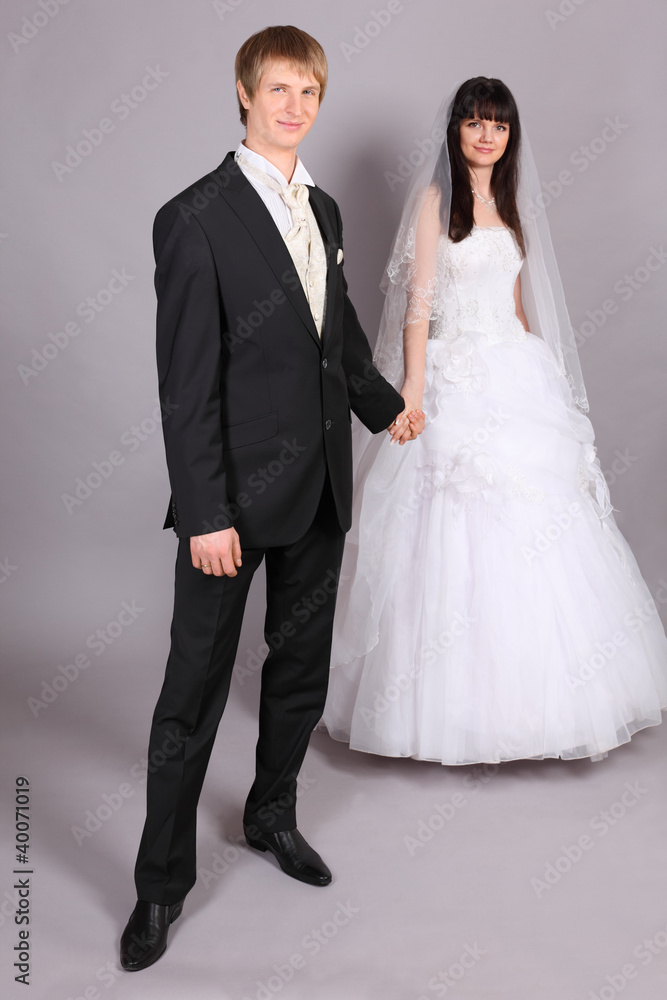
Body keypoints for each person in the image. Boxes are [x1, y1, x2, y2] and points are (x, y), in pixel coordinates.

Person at [119, 25, 423, 972]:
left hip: (321, 488)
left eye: (309, 92)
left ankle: (270, 817)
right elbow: (185, 384)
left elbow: (333, 343)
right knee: (191, 699)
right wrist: (205, 512)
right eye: (277, 89)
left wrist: (388, 411)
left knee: (296, 677)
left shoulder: (323, 208)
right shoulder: (196, 216)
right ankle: (160, 888)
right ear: (244, 95)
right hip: (232, 506)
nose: (294, 106)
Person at [322, 77, 667, 766]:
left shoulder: (511, 206)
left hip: (512, 369)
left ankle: (544, 704)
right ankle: (448, 711)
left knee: (541, 530)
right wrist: (413, 391)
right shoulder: (432, 204)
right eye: (474, 122)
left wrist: (540, 382)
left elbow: (513, 304)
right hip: (451, 374)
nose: (485, 135)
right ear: (454, 130)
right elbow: (418, 307)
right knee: (448, 531)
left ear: (510, 138)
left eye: (498, 126)